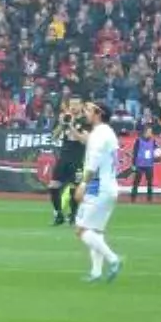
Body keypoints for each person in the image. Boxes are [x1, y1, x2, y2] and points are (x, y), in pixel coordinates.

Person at [72, 102, 123, 283]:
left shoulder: (99, 135)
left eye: (89, 110)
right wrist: (77, 133)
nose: (86, 113)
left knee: (81, 230)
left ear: (98, 113)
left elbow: (93, 161)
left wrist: (83, 184)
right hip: (110, 187)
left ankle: (113, 259)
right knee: (96, 231)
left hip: (97, 188)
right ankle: (96, 272)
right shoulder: (106, 133)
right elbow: (93, 145)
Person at [50, 97, 88, 225]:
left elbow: (83, 140)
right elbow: (54, 137)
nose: (73, 107)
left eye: (76, 104)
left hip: (77, 159)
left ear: (82, 106)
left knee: (75, 188)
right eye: (71, 104)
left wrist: (71, 126)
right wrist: (62, 124)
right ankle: (58, 214)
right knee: (53, 186)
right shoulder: (66, 119)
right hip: (63, 158)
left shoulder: (85, 121)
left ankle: (74, 215)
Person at [130, 125, 157, 203]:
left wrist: (159, 152)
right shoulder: (138, 141)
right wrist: (134, 164)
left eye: (151, 132)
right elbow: (135, 153)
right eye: (149, 131)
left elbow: (156, 149)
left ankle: (149, 199)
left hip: (149, 165)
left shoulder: (153, 141)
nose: (151, 133)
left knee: (150, 182)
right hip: (139, 165)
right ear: (145, 132)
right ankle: (133, 198)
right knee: (136, 182)